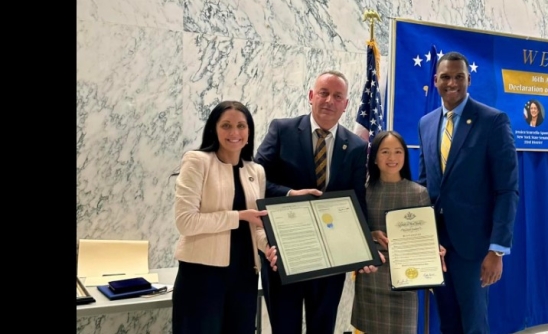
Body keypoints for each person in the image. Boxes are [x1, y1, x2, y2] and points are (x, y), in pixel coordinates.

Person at [254, 70, 382, 334]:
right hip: (286, 252)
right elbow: (254, 178)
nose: (329, 101)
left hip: (331, 258)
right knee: (284, 327)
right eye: (323, 93)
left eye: (337, 96)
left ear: (346, 105)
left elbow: (357, 199)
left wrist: (365, 246)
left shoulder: (357, 146)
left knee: (322, 328)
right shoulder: (282, 130)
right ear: (311, 96)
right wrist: (290, 194)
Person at [417, 51, 519, 334]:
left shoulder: (493, 121)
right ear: (436, 80)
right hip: (437, 245)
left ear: (469, 79)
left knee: (474, 324)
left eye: (459, 76)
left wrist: (497, 249)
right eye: (446, 77)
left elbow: (507, 189)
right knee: (448, 322)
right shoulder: (425, 123)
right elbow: (425, 186)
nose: (452, 83)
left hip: (474, 248)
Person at [171, 101, 269, 334]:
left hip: (245, 277)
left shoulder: (256, 171)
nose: (234, 132)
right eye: (226, 125)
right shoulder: (197, 161)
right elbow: (185, 221)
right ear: (214, 129)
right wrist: (238, 216)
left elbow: (257, 226)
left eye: (241, 126)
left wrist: (271, 248)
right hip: (202, 277)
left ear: (249, 131)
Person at [351, 130, 447, 334]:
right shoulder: (363, 191)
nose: (392, 158)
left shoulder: (419, 193)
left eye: (398, 151)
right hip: (371, 279)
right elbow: (353, 233)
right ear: (375, 157)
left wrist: (434, 249)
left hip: (405, 281)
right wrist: (370, 235)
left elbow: (425, 236)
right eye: (385, 152)